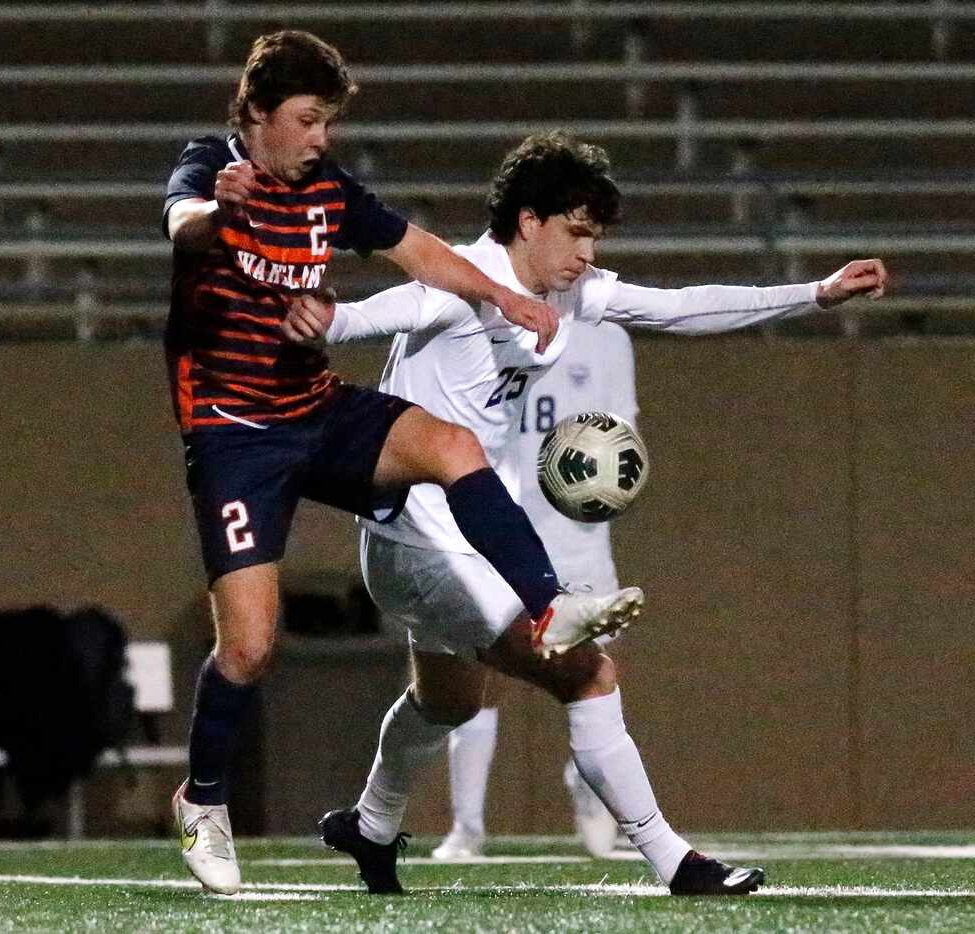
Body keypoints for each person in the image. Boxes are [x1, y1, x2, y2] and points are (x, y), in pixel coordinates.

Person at [288, 132, 888, 895]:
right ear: (528, 220)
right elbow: (360, 318)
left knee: (447, 701)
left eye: (595, 235)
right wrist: (312, 317)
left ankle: (369, 828)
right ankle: (675, 860)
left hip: (445, 539)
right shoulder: (456, 284)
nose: (586, 251)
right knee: (587, 672)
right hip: (422, 538)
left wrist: (814, 293)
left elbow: (674, 310)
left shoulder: (566, 290)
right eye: (577, 231)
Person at [162, 36, 643, 896]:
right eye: (306, 121)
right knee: (249, 648)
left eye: (327, 122)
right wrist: (218, 212)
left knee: (450, 443)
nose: (319, 138)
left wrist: (500, 295)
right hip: (234, 430)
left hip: (311, 407)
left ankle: (552, 604)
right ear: (255, 115)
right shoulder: (210, 166)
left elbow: (421, 251)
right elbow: (185, 229)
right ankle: (202, 801)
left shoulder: (329, 191)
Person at [432, 319, 636, 861]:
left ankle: (587, 783)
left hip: (578, 534)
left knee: (592, 670)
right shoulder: (490, 323)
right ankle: (468, 826)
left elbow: (621, 440)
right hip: (503, 525)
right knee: (488, 676)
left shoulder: (609, 339)